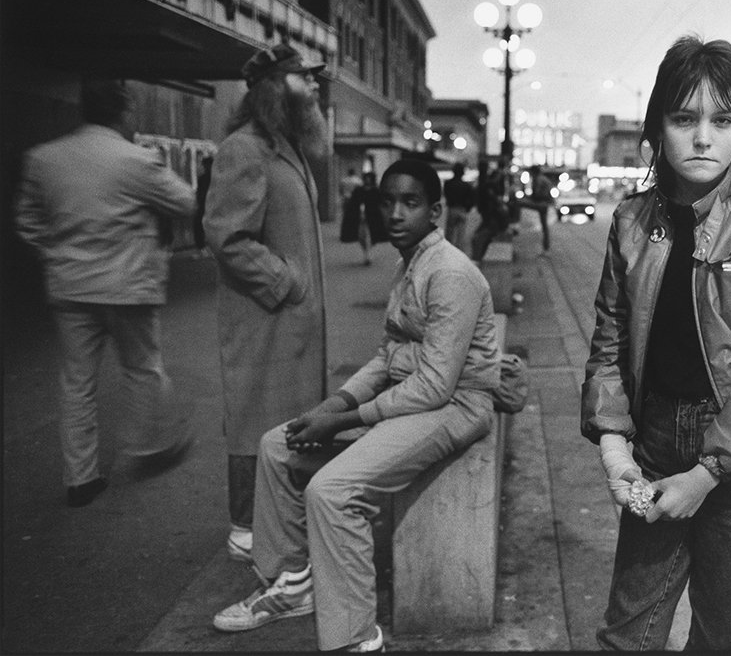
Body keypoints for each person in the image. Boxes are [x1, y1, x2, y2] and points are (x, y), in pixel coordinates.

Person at [580, 35, 731, 650]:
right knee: (628, 634)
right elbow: (610, 340)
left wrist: (710, 471)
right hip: (657, 439)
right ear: (657, 127)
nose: (702, 138)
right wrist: (613, 444)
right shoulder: (633, 219)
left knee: (722, 638)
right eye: (684, 118)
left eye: (722, 120)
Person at [211, 159, 500, 652]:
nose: (395, 214)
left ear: (434, 212)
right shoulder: (408, 263)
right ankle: (292, 583)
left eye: (410, 203)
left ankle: (357, 638)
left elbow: (435, 386)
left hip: (456, 406)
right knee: (278, 445)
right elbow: (388, 358)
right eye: (387, 202)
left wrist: (343, 420)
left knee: (333, 492)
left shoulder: (451, 273)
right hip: (414, 396)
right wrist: (329, 409)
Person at [14, 79, 197, 507]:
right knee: (143, 368)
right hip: (128, 287)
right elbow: (186, 203)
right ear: (123, 112)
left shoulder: (43, 158)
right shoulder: (136, 160)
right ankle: (151, 445)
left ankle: (80, 478)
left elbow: (27, 221)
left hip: (70, 289)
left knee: (77, 382)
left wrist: (56, 251)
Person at [202, 43, 330, 564]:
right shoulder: (245, 149)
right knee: (256, 418)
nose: (316, 84)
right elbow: (227, 236)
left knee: (286, 418)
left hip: (288, 321)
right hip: (263, 318)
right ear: (276, 88)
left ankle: (277, 520)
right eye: (305, 77)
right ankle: (247, 527)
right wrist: (286, 281)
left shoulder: (284, 147)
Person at [442, 161, 475, 251]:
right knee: (460, 235)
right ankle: (458, 252)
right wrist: (467, 208)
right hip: (462, 209)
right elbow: (471, 198)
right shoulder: (466, 186)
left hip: (452, 209)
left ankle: (448, 252)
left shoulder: (448, 183)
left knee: (450, 233)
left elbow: (446, 195)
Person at [521, 165, 553, 251]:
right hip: (544, 203)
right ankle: (546, 246)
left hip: (541, 203)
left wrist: (528, 198)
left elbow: (537, 193)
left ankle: (514, 223)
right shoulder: (544, 178)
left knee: (517, 202)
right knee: (544, 225)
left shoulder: (538, 179)